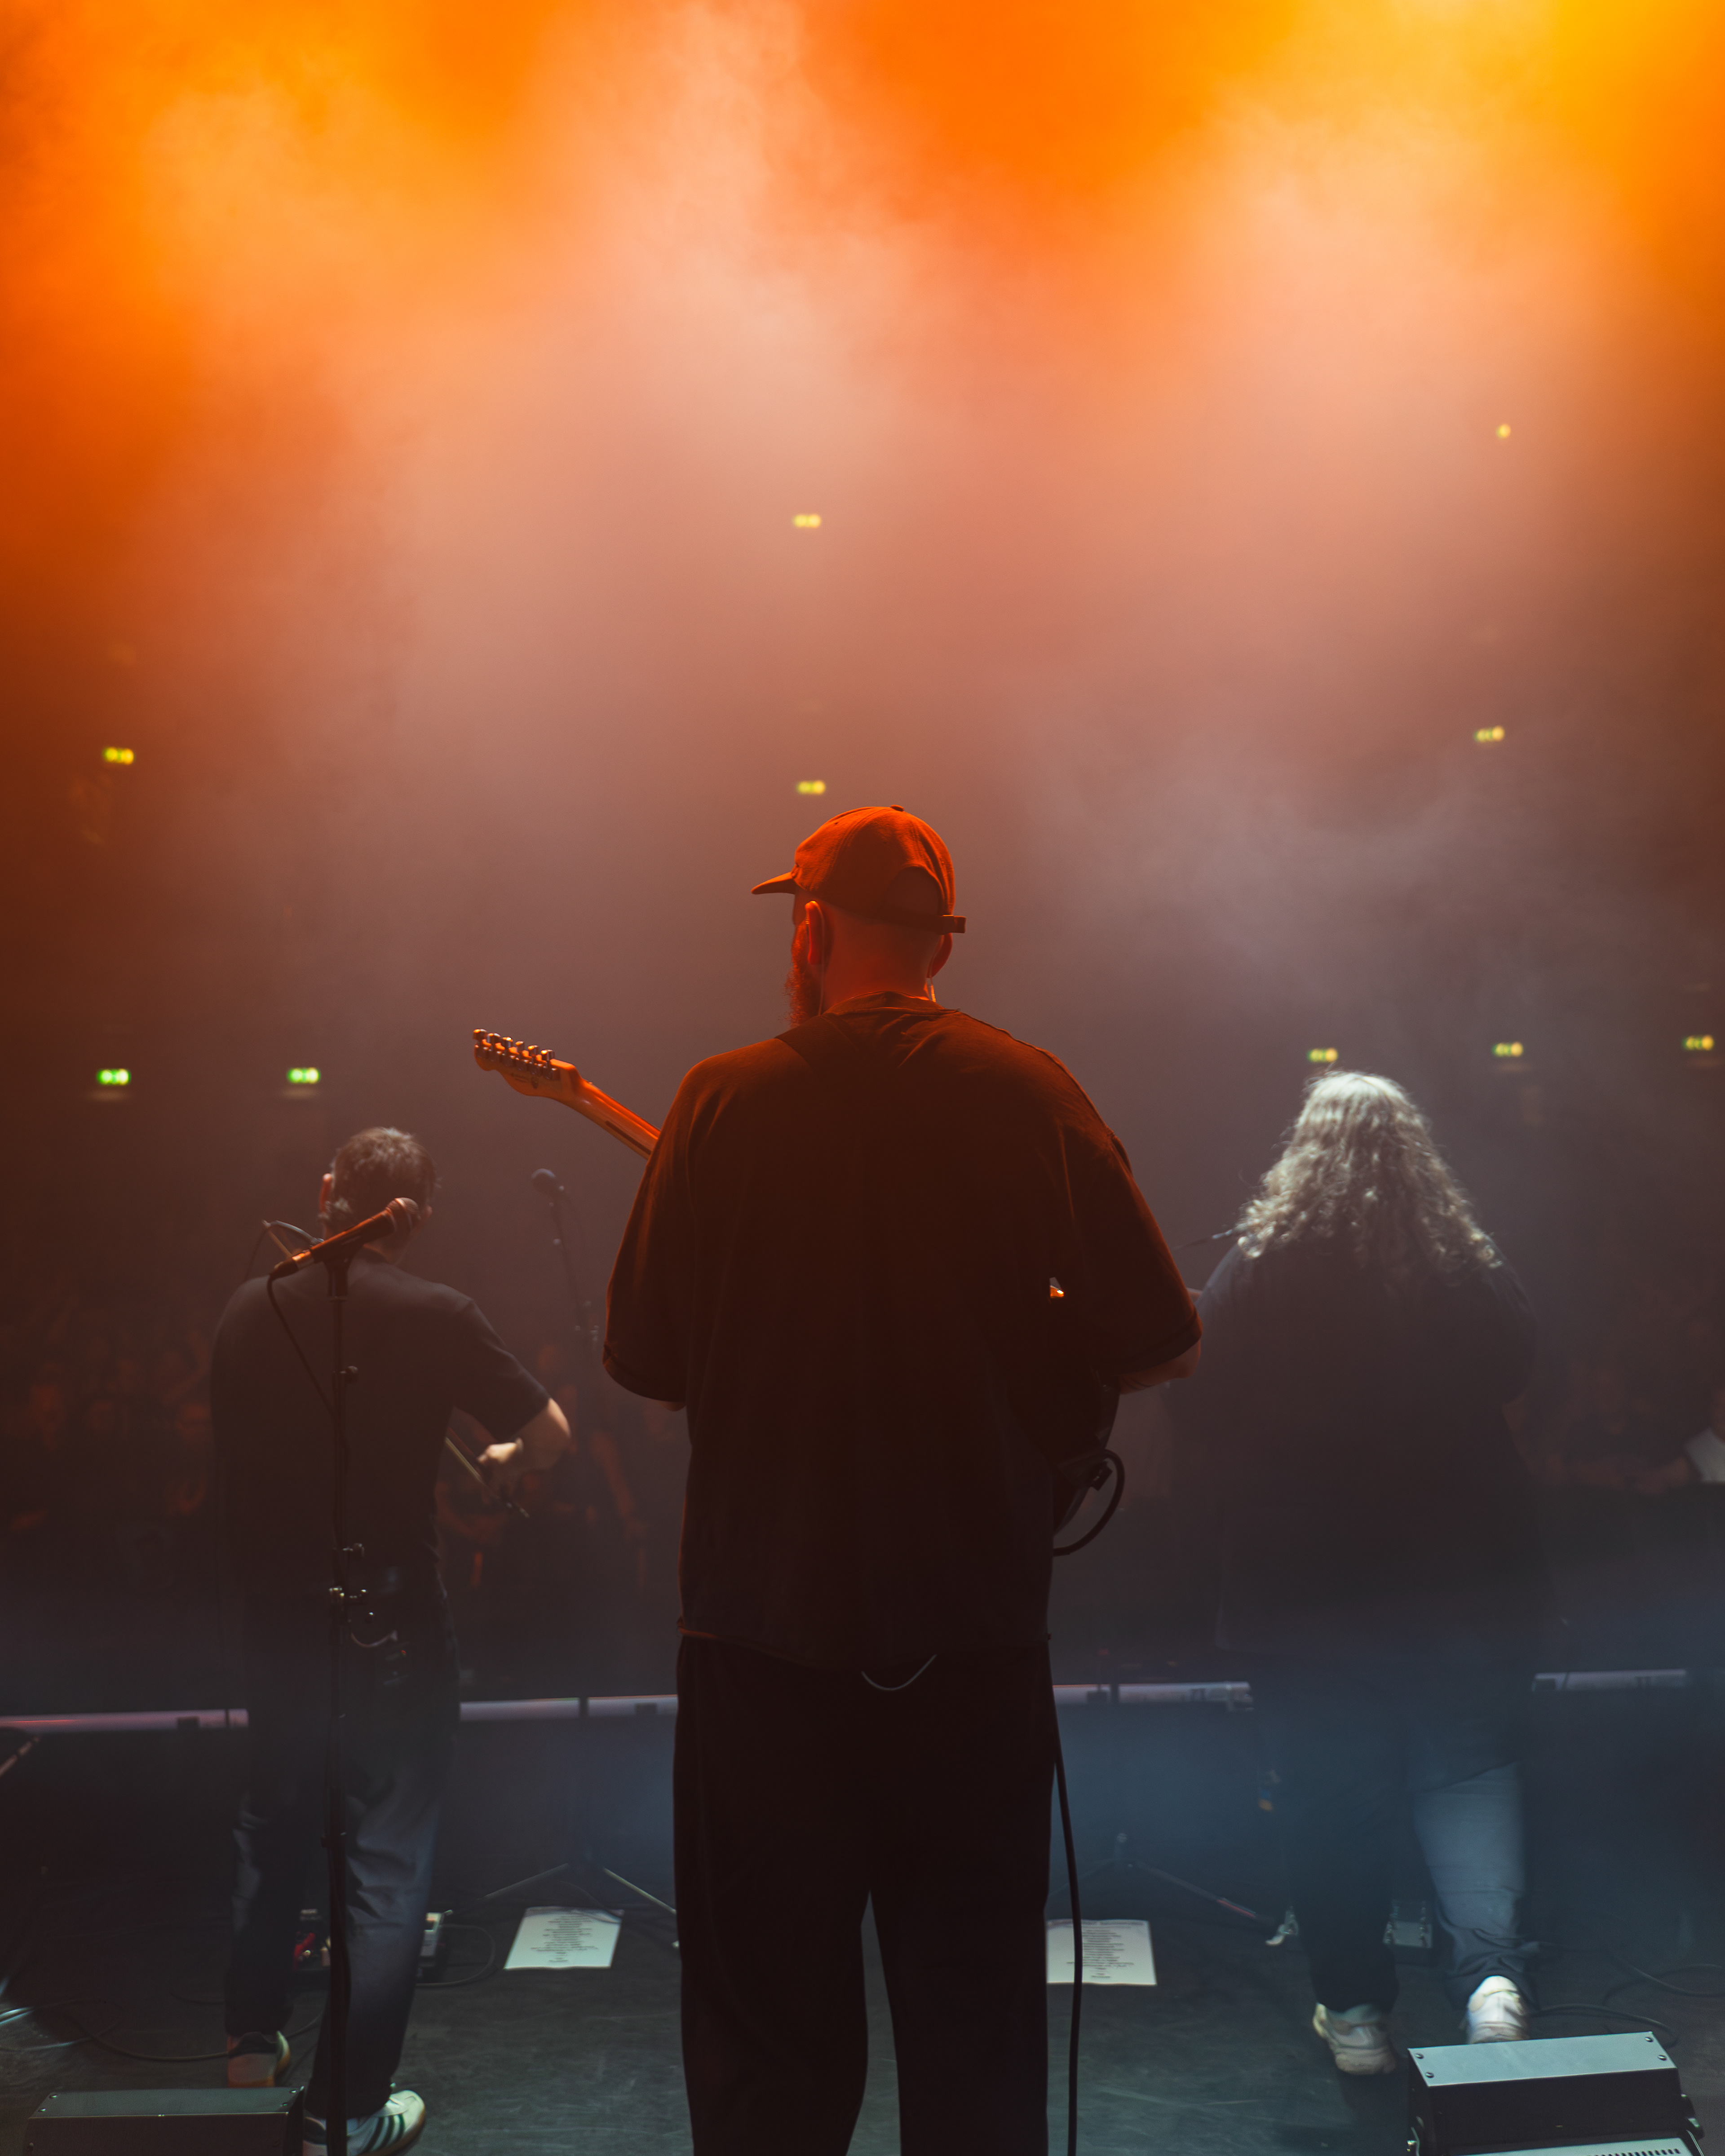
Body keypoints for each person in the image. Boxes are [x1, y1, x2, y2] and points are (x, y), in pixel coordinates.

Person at [604, 804, 1200, 2155]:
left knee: (767, 2047)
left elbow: (644, 1364)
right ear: (940, 944)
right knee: (978, 2038)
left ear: (810, 934)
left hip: (764, 1640)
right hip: (970, 1644)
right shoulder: (1031, 1090)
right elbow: (1166, 1343)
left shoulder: (721, 1098)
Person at [1168, 1071, 1544, 2075]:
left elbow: (1194, 1402)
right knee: (1466, 1771)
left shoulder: (1257, 1266)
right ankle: (1493, 1985)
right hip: (1453, 1578)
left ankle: (1358, 2015)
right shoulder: (1460, 1263)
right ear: (1415, 1158)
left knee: (1331, 1796)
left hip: (1304, 1590)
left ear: (1305, 1149)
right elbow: (1518, 1365)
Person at [212, 1127, 568, 2156]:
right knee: (384, 1861)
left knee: (273, 1813)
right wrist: (501, 1457)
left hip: (277, 1619)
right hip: (392, 1619)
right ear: (414, 1220)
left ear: (328, 1192)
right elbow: (548, 1435)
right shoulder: (437, 1313)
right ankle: (349, 2113)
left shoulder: (247, 1310)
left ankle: (250, 2037)